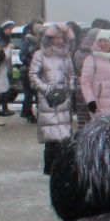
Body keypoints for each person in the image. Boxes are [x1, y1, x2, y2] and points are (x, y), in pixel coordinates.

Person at [30, 23, 80, 176]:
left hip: (63, 100)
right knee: (51, 137)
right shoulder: (40, 55)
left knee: (64, 136)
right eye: (56, 38)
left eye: (61, 38)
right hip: (48, 101)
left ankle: (60, 168)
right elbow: (33, 76)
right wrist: (48, 89)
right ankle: (50, 168)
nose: (59, 41)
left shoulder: (66, 56)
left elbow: (72, 74)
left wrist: (68, 87)